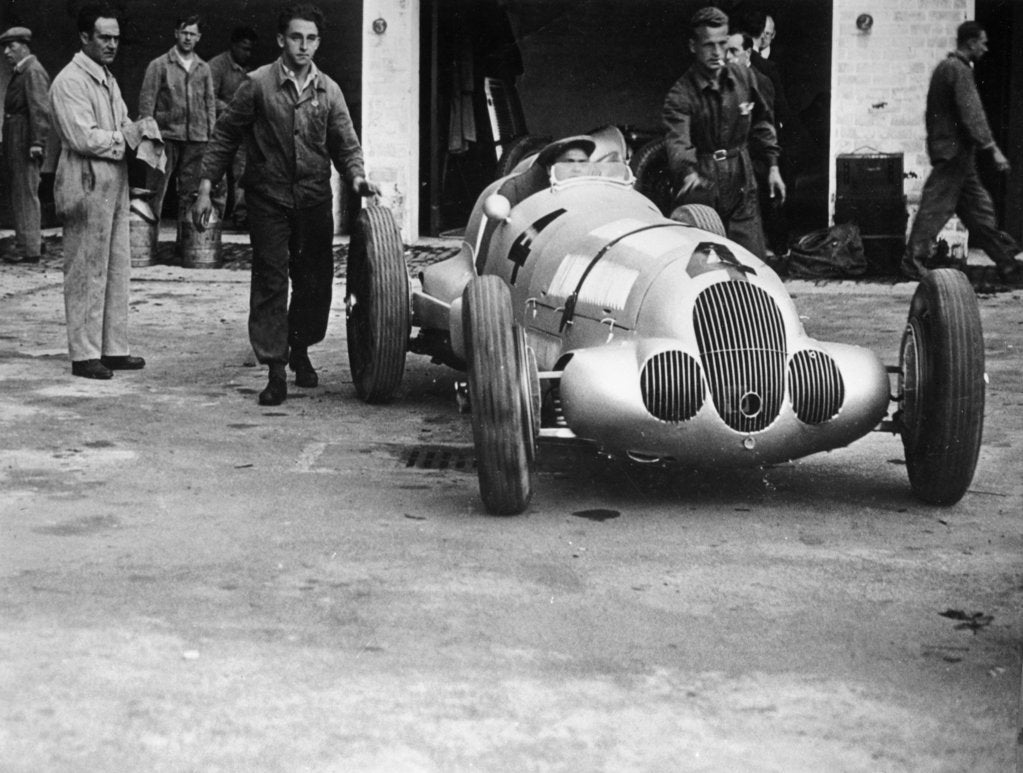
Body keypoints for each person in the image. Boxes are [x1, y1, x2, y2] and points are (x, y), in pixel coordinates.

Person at [193, 3, 381, 406]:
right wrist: (205, 188)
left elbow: (345, 144)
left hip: (313, 200)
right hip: (269, 199)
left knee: (314, 283)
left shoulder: (328, 90)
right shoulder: (258, 84)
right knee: (272, 280)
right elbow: (225, 136)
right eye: (297, 37)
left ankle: (300, 348)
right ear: (282, 40)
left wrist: (357, 176)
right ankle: (276, 370)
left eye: (311, 38)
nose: (304, 46)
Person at [49, 3, 145, 379]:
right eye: (104, 37)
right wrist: (126, 137)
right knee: (87, 267)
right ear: (84, 37)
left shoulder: (107, 78)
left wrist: (139, 130)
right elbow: (82, 137)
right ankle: (84, 353)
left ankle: (113, 348)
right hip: (86, 179)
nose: (112, 44)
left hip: (114, 180)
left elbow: (121, 121)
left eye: (116, 38)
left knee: (118, 265)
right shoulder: (69, 81)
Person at [903, 21, 1023, 283]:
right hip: (953, 154)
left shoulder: (949, 69)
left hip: (959, 156)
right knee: (935, 209)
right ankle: (913, 262)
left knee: (980, 212)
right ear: (970, 42)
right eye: (983, 42)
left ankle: (1007, 263)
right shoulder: (957, 70)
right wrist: (993, 150)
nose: (985, 48)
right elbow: (972, 114)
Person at [662, 6, 785, 258]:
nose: (717, 53)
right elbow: (678, 139)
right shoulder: (680, 94)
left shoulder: (744, 78)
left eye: (722, 44)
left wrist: (773, 165)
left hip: (741, 175)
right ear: (693, 46)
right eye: (709, 45)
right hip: (702, 180)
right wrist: (687, 172)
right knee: (705, 264)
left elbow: (762, 122)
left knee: (752, 260)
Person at [138, 15, 216, 236]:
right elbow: (146, 104)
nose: (188, 38)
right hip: (165, 137)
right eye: (184, 32)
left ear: (199, 37)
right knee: (154, 191)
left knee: (190, 193)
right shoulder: (159, 65)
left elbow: (209, 103)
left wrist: (210, 135)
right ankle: (148, 242)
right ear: (176, 34)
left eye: (192, 33)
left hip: (197, 139)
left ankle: (187, 244)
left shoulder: (204, 68)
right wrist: (150, 137)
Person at [1, 26, 50, 265]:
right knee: (20, 192)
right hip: (16, 137)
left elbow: (40, 109)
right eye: (5, 47)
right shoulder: (22, 72)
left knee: (26, 193)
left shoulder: (33, 71)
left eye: (11, 47)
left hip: (25, 139)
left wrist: (37, 142)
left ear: (24, 47)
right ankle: (29, 241)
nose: (6, 52)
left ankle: (29, 249)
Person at [208, 25, 258, 227]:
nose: (248, 54)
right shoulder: (216, 66)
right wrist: (232, 108)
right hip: (219, 130)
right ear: (233, 46)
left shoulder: (248, 71)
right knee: (216, 175)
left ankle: (241, 216)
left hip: (241, 132)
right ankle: (213, 218)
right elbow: (208, 98)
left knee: (242, 174)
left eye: (250, 50)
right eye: (244, 48)